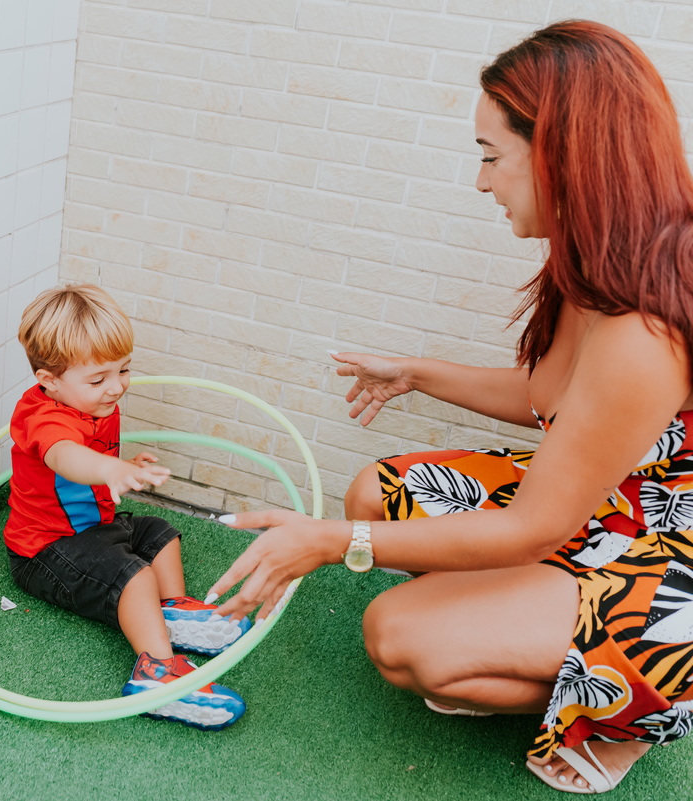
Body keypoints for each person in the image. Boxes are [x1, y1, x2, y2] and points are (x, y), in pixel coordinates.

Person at [206, 20, 693, 793]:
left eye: (490, 158)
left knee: (400, 635)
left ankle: (633, 713)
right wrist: (417, 373)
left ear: (560, 156)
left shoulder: (644, 329)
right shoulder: (598, 258)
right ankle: (518, 624)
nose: (481, 182)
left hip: (669, 558)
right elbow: (548, 397)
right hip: (602, 502)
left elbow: (537, 523)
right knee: (377, 494)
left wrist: (331, 542)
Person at [5, 283, 253, 730]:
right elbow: (66, 456)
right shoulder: (42, 417)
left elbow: (93, 454)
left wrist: (123, 465)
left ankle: (171, 610)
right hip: (47, 551)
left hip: (98, 526)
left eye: (124, 370)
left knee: (159, 533)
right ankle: (156, 673)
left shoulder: (92, 400)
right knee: (132, 575)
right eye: (99, 379)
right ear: (49, 381)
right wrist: (109, 469)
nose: (116, 387)